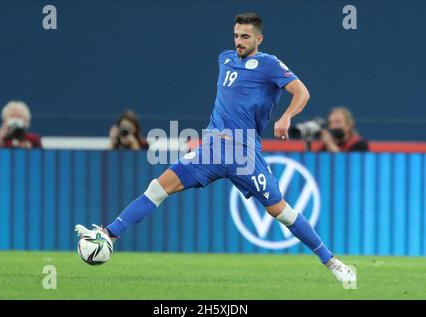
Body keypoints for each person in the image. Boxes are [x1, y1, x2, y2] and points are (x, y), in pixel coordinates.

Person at [76, 12, 355, 284]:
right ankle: (109, 235)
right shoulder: (225, 59)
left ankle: (332, 262)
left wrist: (287, 116)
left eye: (245, 36)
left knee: (280, 211)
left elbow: (302, 92)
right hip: (212, 148)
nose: (239, 41)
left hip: (244, 154)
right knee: (158, 187)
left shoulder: (269, 64)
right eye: (236, 35)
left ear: (259, 39)